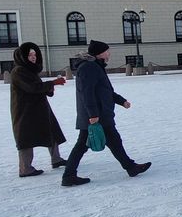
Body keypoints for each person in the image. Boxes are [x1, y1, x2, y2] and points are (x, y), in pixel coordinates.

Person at [61, 40, 151, 186]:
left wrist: (121, 101)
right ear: (99, 53)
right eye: (107, 51)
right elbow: (87, 93)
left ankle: (131, 167)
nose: (109, 53)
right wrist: (93, 114)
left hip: (99, 114)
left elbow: (105, 90)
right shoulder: (89, 67)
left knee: (113, 141)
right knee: (83, 145)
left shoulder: (95, 66)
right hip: (96, 115)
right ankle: (69, 176)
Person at [9, 42, 68, 177]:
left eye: (34, 54)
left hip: (39, 108)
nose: (33, 57)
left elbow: (38, 87)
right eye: (30, 55)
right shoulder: (19, 71)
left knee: (51, 130)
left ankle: (56, 159)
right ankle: (25, 169)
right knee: (26, 137)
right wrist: (52, 83)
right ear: (22, 56)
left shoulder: (29, 70)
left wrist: (51, 86)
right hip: (25, 111)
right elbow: (32, 88)